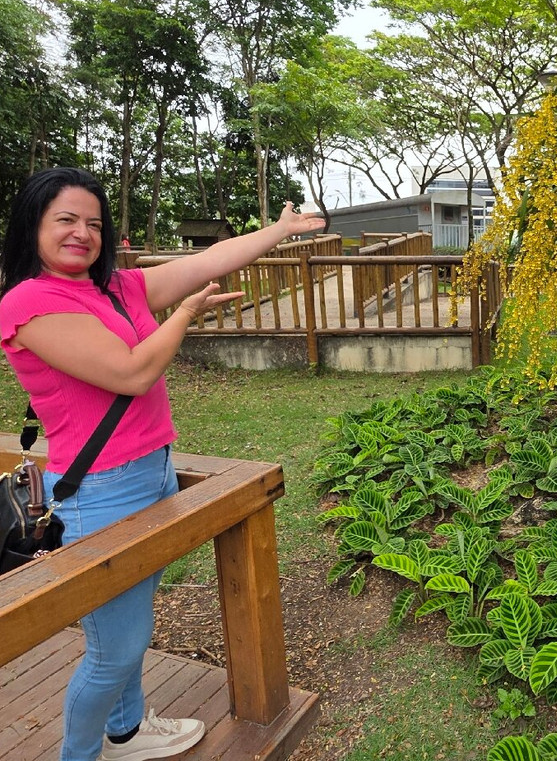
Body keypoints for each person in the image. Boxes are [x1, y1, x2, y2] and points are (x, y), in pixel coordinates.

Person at [0, 167, 323, 761]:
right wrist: (184, 315)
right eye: (66, 220)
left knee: (133, 626)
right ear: (33, 227)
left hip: (154, 472)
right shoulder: (29, 302)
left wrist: (278, 231)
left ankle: (125, 733)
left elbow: (210, 260)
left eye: (94, 223)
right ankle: (80, 754)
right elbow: (131, 371)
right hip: (100, 491)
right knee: (112, 651)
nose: (83, 233)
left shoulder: (117, 287)